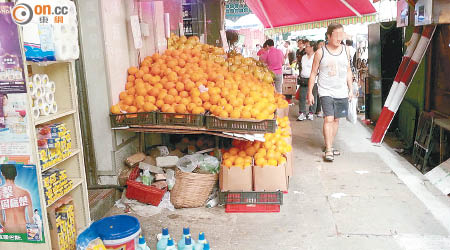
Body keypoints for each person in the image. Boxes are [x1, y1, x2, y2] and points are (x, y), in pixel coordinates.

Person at [307, 23, 353, 162]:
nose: (340, 38)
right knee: (328, 118)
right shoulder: (321, 52)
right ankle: (328, 149)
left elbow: (348, 70)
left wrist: (350, 89)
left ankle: (330, 145)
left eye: (342, 35)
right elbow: (313, 73)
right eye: (337, 35)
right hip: (325, 90)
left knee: (337, 119)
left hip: (342, 91)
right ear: (329, 36)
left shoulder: (346, 50)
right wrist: (310, 92)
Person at [0, 164, 33, 233]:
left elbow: (1, 218)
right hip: (24, 227)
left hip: (9, 227)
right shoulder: (25, 192)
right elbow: (31, 218)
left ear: (2, 174)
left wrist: (4, 224)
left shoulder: (1, 192)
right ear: (16, 174)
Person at [297, 41, 318, 121]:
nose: (305, 48)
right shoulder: (304, 57)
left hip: (313, 80)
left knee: (313, 97)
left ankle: (311, 113)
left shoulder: (316, 56)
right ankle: (302, 113)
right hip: (303, 79)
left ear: (312, 47)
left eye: (307, 46)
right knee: (302, 96)